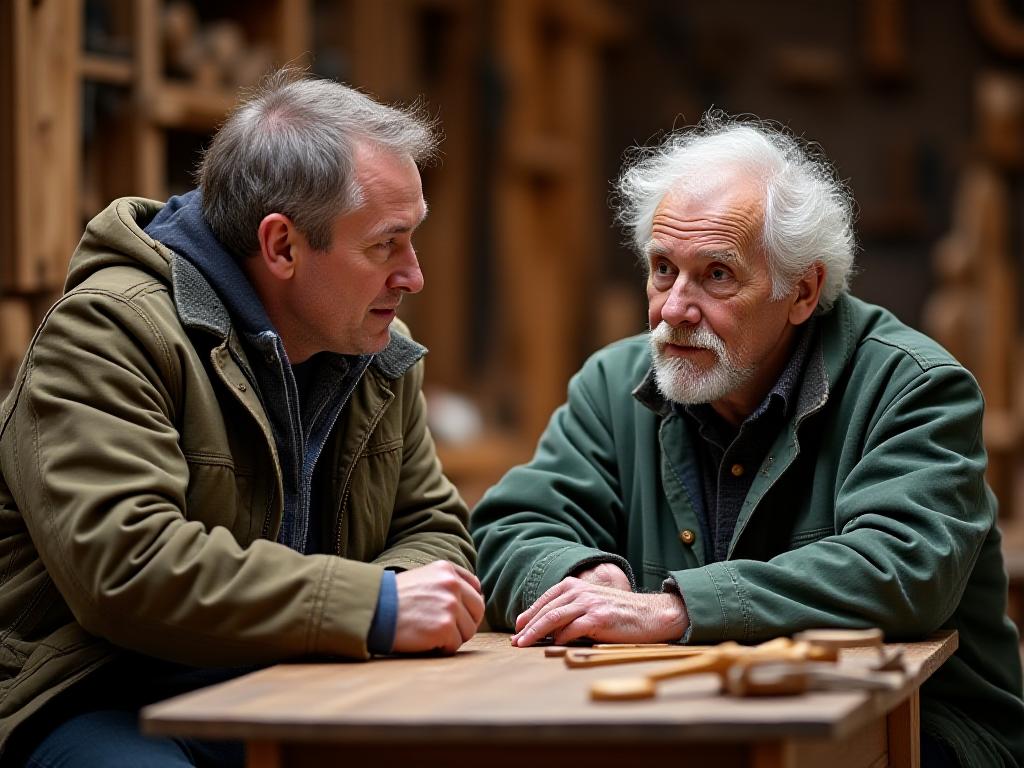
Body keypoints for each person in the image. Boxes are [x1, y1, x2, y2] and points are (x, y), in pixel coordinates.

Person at [471, 112, 1024, 767]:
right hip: (685, 727)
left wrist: (676, 609)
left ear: (802, 290)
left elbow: (903, 568)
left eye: (716, 275)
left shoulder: (913, 386)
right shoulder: (613, 382)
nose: (674, 308)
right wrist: (581, 576)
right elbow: (506, 530)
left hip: (922, 731)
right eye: (661, 269)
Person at [0, 69, 483, 766]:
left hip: (295, 682)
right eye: (386, 244)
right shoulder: (109, 333)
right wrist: (373, 606)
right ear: (282, 245)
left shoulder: (378, 352)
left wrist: (407, 597)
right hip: (103, 697)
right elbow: (127, 570)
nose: (413, 275)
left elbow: (432, 529)